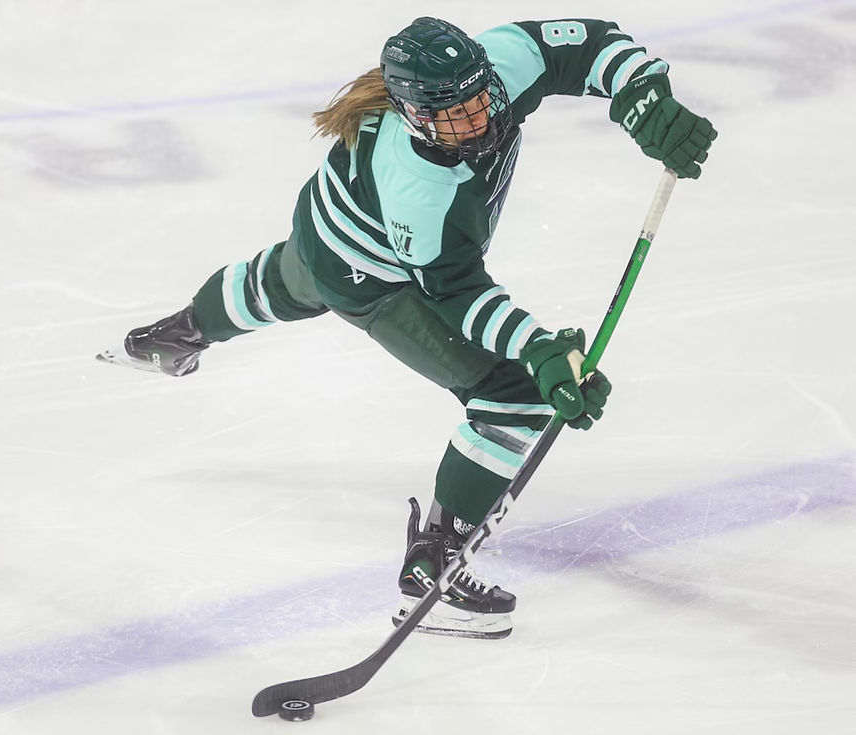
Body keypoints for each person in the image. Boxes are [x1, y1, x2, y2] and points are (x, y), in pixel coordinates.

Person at [97, 17, 716, 639]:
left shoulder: (495, 65)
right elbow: (455, 292)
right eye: (453, 115)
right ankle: (434, 564)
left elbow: (588, 43)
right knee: (512, 396)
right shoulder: (419, 184)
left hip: (322, 220)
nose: (477, 120)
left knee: (279, 283)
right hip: (371, 275)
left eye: (480, 99)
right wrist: (538, 353)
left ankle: (176, 336)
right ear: (413, 114)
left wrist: (645, 98)